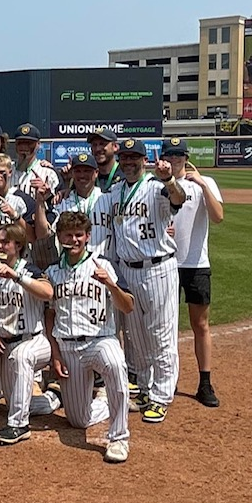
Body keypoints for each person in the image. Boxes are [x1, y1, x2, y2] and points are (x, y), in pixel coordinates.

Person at [44, 212, 134, 463]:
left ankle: (118, 438)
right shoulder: (52, 272)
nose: (74, 239)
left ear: (88, 236)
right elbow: (49, 315)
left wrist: (112, 286)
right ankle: (110, 401)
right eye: (68, 235)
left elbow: (128, 307)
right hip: (68, 346)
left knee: (115, 363)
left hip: (100, 340)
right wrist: (55, 352)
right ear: (59, 237)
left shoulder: (103, 264)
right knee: (78, 420)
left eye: (79, 235)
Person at [109, 138, 185, 424]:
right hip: (127, 270)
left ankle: (161, 396)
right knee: (135, 335)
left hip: (158, 269)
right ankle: (143, 388)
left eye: (134, 158)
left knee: (161, 334)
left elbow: (178, 198)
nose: (129, 163)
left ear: (144, 161)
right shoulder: (117, 191)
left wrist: (169, 179)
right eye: (125, 158)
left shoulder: (157, 187)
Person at [0, 223, 61, 444]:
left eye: (5, 241)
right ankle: (53, 398)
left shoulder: (29, 270)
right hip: (5, 343)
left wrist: (17, 277)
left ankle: (18, 426)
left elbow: (48, 292)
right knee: (16, 398)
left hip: (34, 340)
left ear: (18, 245)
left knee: (21, 356)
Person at [162, 138, 224, 408]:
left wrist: (200, 184)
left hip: (196, 263)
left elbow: (218, 216)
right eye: (170, 155)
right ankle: (168, 377)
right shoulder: (156, 185)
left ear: (186, 158)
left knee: (200, 325)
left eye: (179, 156)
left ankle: (205, 382)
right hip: (165, 263)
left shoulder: (205, 182)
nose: (175, 160)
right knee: (167, 326)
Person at [34, 153, 115, 268]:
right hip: (70, 269)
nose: (82, 175)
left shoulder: (109, 199)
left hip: (103, 266)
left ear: (96, 173)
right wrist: (40, 202)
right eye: (78, 171)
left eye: (87, 171)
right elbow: (42, 234)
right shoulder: (62, 202)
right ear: (72, 173)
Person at [0, 153, 37, 242]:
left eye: (1, 172)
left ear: (10, 172)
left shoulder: (22, 199)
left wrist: (15, 216)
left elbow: (32, 237)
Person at [11, 123, 60, 203]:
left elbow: (55, 204)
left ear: (38, 144)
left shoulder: (48, 173)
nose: (24, 147)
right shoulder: (5, 171)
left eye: (29, 143)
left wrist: (47, 194)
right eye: (21, 142)